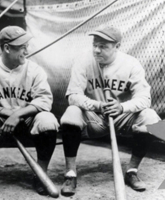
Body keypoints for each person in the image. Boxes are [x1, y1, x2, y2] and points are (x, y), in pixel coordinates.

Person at [60, 25, 161, 196]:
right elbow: (73, 95)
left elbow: (145, 99)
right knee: (71, 113)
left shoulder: (130, 64)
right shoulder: (84, 60)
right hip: (94, 117)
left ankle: (132, 171)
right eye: (95, 44)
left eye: (103, 46)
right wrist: (97, 105)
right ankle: (70, 174)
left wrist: (122, 107)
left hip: (122, 117)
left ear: (117, 46)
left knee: (152, 119)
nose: (97, 50)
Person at [0, 26, 59, 198]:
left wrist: (17, 114)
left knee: (48, 119)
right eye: (21, 46)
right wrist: (6, 113)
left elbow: (45, 100)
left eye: (26, 45)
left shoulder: (34, 70)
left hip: (28, 121)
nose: (26, 50)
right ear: (7, 48)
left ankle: (41, 174)